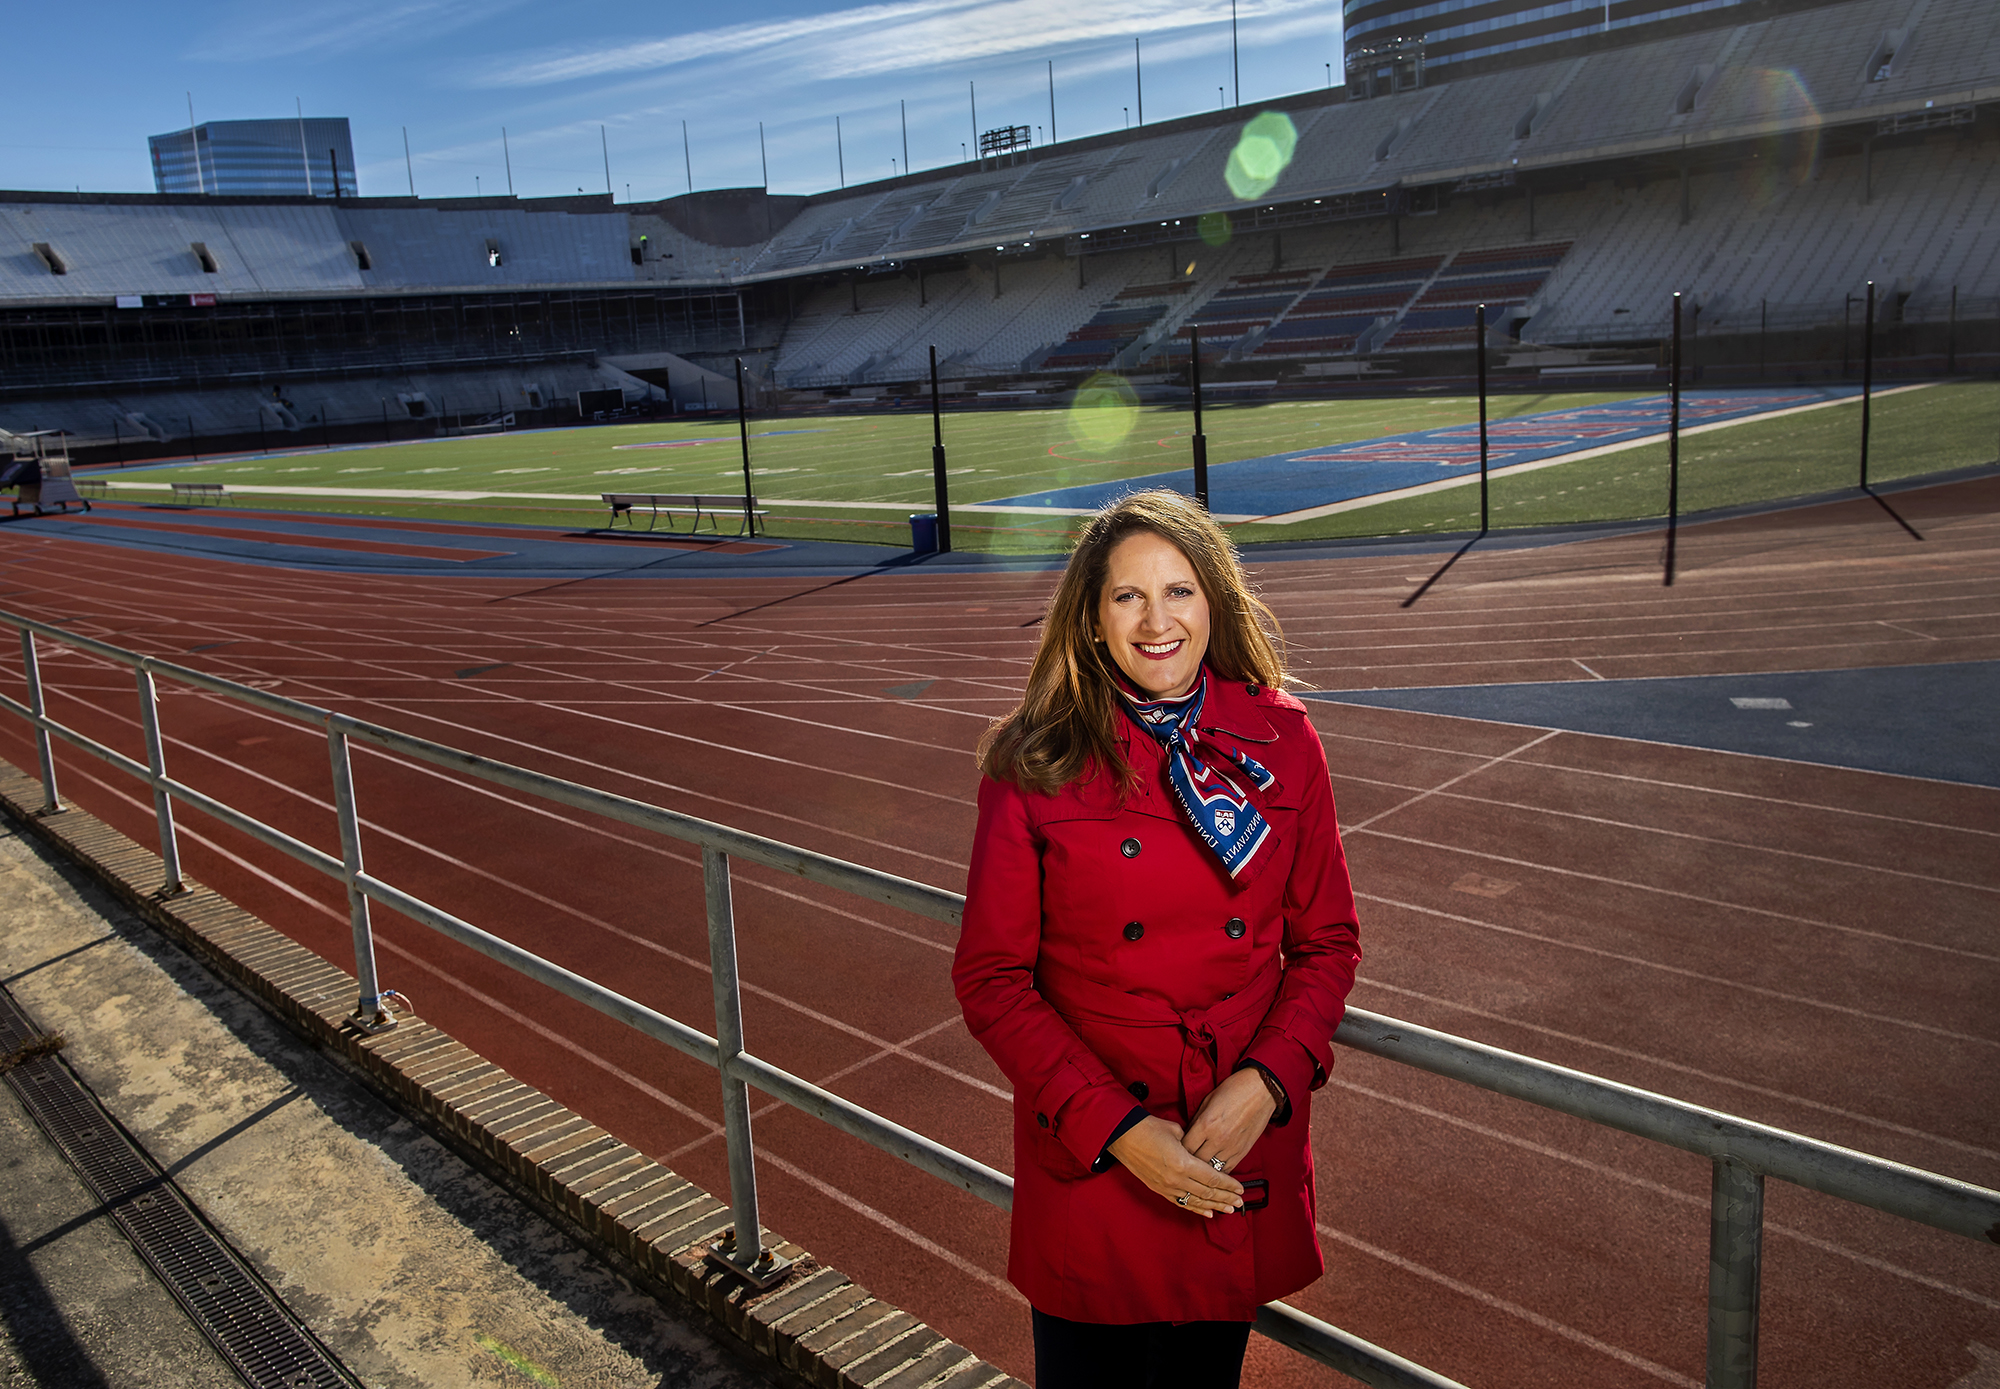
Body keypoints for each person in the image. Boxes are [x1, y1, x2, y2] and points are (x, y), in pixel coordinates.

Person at [954, 489, 1363, 1388]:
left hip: (1228, 1138)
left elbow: (1328, 942)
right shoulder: (1035, 759)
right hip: (1097, 1155)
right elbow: (992, 979)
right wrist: (1126, 1132)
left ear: (1212, 601)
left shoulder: (1284, 740)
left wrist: (1268, 1083)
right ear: (1093, 621)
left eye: (1178, 590)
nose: (1157, 620)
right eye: (1128, 596)